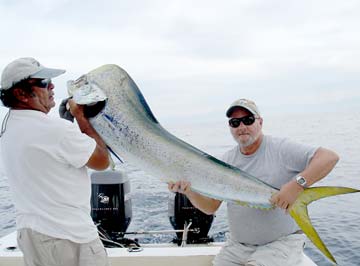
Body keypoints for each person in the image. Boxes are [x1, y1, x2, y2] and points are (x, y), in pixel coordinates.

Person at [168, 98, 339, 266]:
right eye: (235, 123)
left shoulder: (281, 148)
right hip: (237, 246)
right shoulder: (227, 160)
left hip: (279, 244)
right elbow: (210, 207)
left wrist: (297, 184)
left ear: (260, 122)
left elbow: (329, 157)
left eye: (248, 120)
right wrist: (189, 192)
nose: (241, 127)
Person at [0, 57, 110, 266]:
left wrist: (66, 122)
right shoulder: (55, 131)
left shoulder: (8, 128)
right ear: (20, 93)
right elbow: (101, 161)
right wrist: (80, 117)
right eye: (42, 82)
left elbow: (48, 152)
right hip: (70, 237)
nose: (51, 86)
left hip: (33, 235)